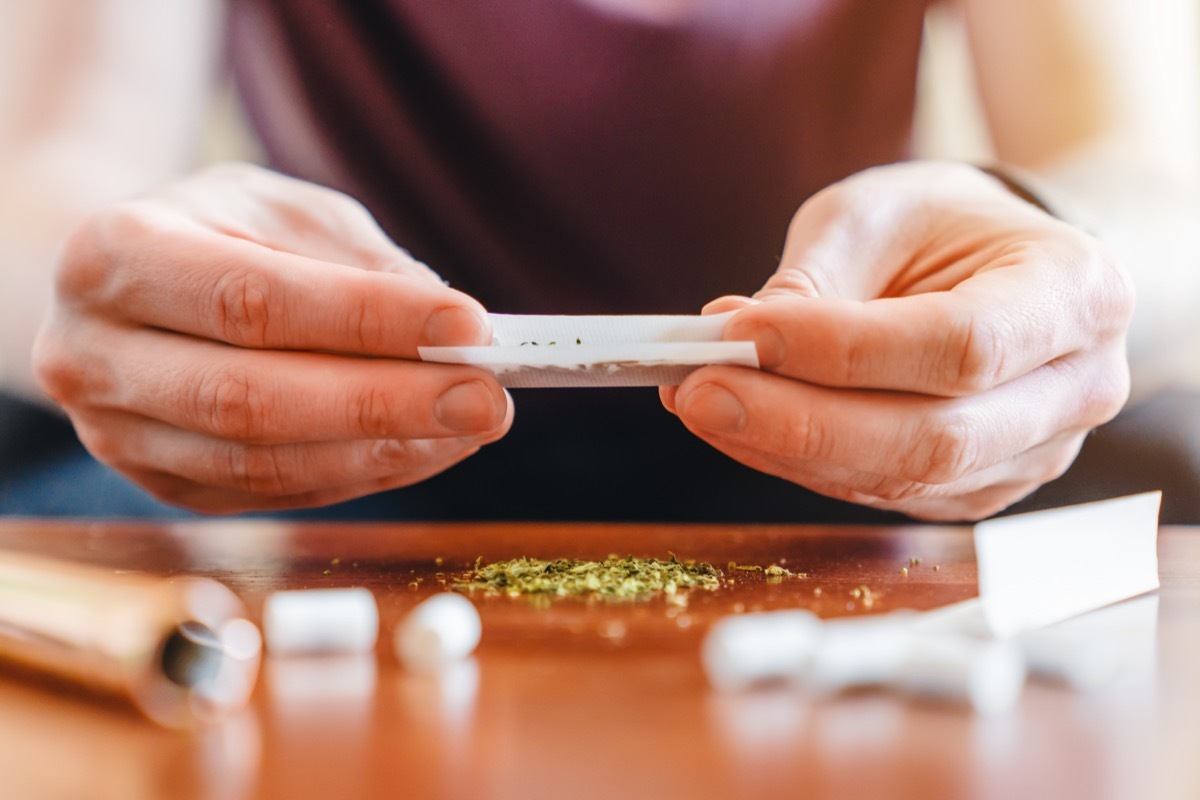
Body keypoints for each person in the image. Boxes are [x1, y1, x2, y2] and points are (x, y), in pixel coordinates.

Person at [3, 0, 1198, 522]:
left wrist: (1052, 275)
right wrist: (112, 296)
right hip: (341, 446)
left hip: (862, 439)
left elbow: (1142, 190)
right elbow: (59, 181)